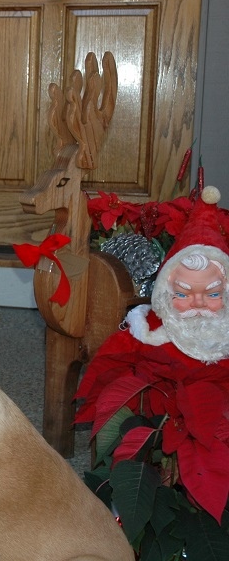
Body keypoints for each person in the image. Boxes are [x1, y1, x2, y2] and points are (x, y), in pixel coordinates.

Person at [75, 186, 229, 531]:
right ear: (164, 293)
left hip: (210, 415)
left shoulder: (225, 337)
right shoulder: (148, 333)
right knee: (134, 450)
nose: (200, 303)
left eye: (214, 294)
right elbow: (112, 369)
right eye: (184, 294)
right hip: (158, 413)